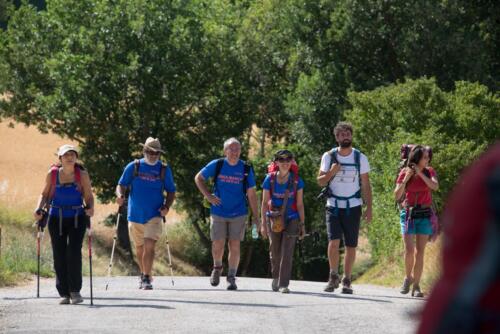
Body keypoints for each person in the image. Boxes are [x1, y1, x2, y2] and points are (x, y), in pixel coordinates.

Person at [194, 137, 259, 290]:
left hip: (239, 212)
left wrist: (257, 217)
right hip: (218, 211)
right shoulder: (217, 164)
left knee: (234, 244)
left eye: (238, 149)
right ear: (225, 151)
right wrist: (208, 196)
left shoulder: (246, 168)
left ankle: (231, 277)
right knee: (218, 243)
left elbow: (251, 194)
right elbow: (198, 178)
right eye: (232, 149)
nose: (235, 152)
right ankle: (217, 268)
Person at [33, 144, 94, 304]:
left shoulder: (82, 175)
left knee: (73, 252)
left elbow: (88, 196)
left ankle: (75, 292)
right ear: (60, 158)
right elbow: (44, 194)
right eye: (66, 155)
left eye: (72, 154)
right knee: (59, 254)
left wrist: (90, 208)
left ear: (76, 157)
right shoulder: (52, 174)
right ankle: (64, 293)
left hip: (77, 217)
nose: (70, 157)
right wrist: (38, 208)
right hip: (56, 218)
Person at [317, 121, 372, 294]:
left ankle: (347, 280)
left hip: (353, 206)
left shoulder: (360, 157)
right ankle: (333, 276)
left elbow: (366, 184)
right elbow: (320, 181)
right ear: (336, 137)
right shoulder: (329, 156)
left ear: (351, 136)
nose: (345, 136)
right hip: (333, 205)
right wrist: (332, 172)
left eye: (347, 133)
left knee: (351, 245)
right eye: (341, 134)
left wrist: (369, 207)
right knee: (333, 242)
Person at [116, 137, 176, 290]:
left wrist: (167, 207)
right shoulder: (134, 166)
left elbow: (171, 191)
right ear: (144, 151)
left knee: (150, 245)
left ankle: (146, 277)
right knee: (140, 248)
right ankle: (144, 273)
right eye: (149, 151)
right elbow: (121, 184)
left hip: (155, 215)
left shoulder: (163, 169)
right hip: (135, 214)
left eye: (156, 152)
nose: (152, 154)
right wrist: (120, 196)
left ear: (159, 154)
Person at [394, 145, 438, 298]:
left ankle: (417, 286)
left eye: (428, 157)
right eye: (425, 157)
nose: (428, 159)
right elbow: (396, 195)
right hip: (408, 214)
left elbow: (435, 186)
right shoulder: (404, 172)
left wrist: (421, 174)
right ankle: (408, 277)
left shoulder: (429, 171)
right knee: (409, 250)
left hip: (425, 215)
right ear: (417, 158)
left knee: (420, 252)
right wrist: (406, 179)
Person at [260, 149, 305, 293]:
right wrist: (263, 225)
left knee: (287, 251)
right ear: (276, 162)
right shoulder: (270, 179)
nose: (285, 163)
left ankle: (284, 284)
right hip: (273, 218)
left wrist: (302, 225)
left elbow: (299, 204)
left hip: (292, 218)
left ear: (291, 162)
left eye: (288, 160)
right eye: (282, 160)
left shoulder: (297, 181)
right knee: (275, 250)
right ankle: (275, 277)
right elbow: (264, 202)